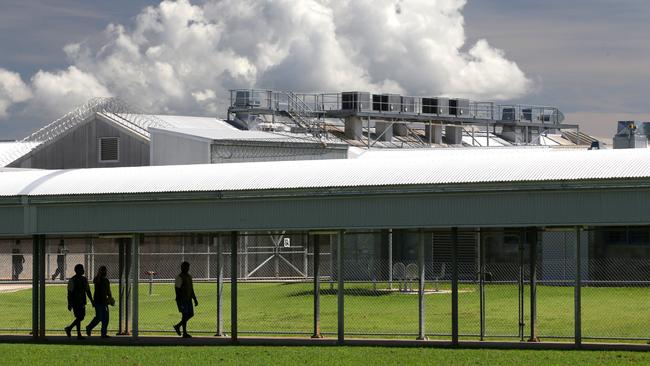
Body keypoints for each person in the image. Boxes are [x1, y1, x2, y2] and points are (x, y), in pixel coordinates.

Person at [65, 264, 94, 340]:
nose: (83, 270)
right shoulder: (72, 280)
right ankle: (75, 332)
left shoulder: (84, 279)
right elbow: (69, 293)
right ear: (77, 271)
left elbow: (88, 291)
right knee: (80, 317)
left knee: (80, 317)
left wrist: (91, 300)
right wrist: (69, 303)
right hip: (76, 301)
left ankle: (72, 330)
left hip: (82, 301)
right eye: (82, 269)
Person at [86, 266, 114, 338]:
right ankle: (89, 327)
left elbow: (108, 290)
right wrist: (99, 273)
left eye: (105, 271)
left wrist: (110, 298)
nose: (104, 272)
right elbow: (95, 281)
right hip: (98, 301)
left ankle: (103, 333)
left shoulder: (106, 280)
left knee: (106, 318)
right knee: (99, 317)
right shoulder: (97, 279)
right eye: (102, 271)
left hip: (104, 302)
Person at [173, 261, 198, 338]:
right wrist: (180, 299)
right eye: (184, 267)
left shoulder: (189, 276)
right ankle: (184, 333)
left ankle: (178, 326)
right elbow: (177, 289)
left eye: (187, 267)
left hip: (188, 299)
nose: (186, 268)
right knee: (184, 315)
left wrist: (194, 298)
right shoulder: (179, 277)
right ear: (181, 267)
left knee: (191, 314)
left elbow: (191, 289)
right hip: (182, 300)